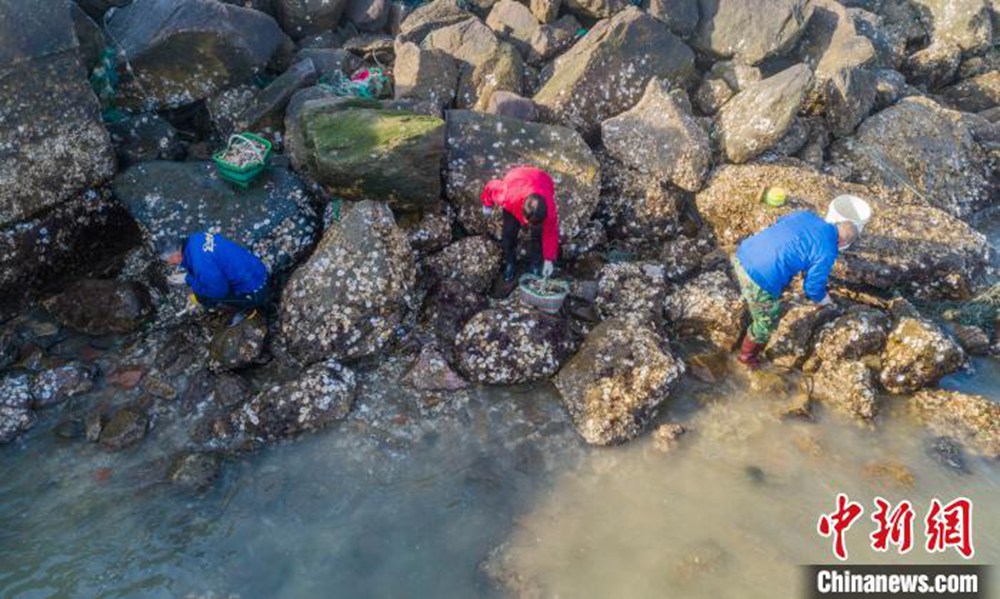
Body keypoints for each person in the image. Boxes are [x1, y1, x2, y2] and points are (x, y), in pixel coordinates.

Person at [732, 210, 860, 369]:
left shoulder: (807, 215)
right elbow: (812, 288)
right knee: (766, 322)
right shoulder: (828, 251)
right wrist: (826, 301)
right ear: (841, 243)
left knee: (768, 292)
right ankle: (746, 358)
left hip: (743, 252)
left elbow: (781, 220)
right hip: (759, 278)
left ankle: (750, 303)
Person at [160, 232, 269, 324]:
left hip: (256, 291)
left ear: (176, 256)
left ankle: (248, 309)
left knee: (204, 298)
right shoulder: (196, 238)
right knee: (209, 281)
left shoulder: (200, 264)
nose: (169, 263)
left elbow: (218, 292)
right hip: (257, 269)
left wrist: (189, 280)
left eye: (168, 260)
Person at [480, 166, 560, 282]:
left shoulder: (550, 211)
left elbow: (550, 234)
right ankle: (510, 261)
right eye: (530, 223)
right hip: (516, 178)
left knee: (539, 235)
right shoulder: (508, 196)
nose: (530, 226)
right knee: (509, 233)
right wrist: (487, 204)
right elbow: (491, 186)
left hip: (543, 180)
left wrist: (548, 259)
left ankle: (535, 264)